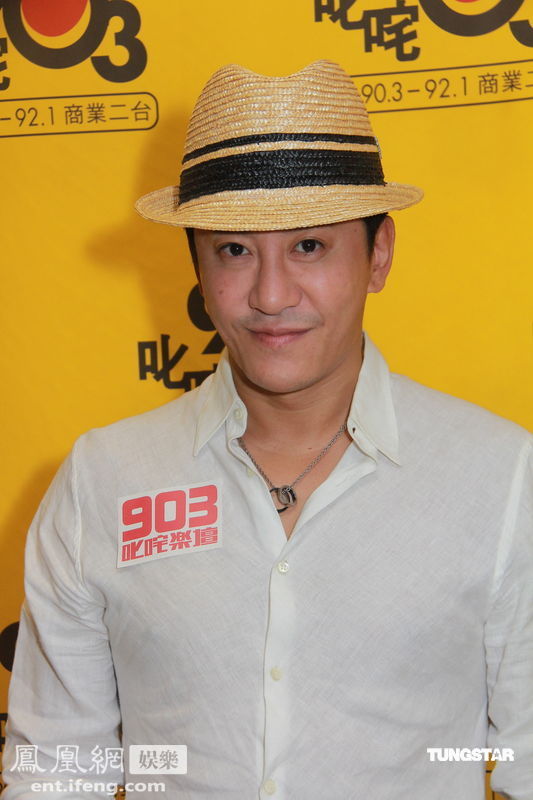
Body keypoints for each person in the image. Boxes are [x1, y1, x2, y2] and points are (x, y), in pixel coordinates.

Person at [2, 60, 532, 800]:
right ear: (196, 264)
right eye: (234, 250)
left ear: (379, 253)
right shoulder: (104, 478)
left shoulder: (500, 477)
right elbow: (59, 773)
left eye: (309, 246)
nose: (271, 294)